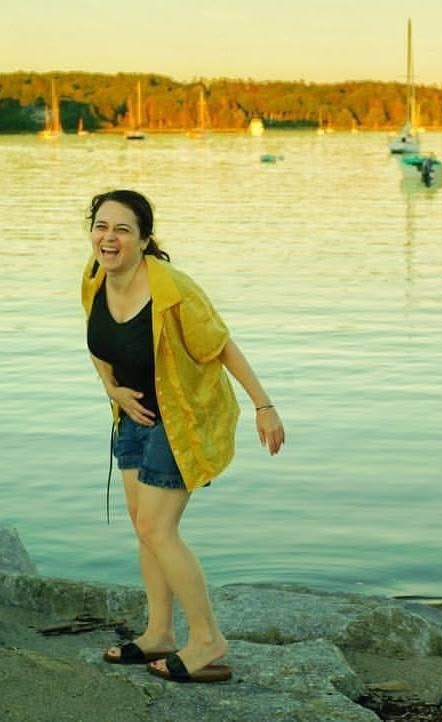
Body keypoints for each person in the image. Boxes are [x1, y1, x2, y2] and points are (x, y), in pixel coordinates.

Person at [81, 189, 285, 683]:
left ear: (144, 239)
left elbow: (221, 345)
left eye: (123, 229)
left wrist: (264, 405)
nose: (109, 238)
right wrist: (112, 389)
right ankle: (158, 633)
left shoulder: (172, 289)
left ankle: (207, 639)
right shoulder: (94, 276)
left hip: (183, 418)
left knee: (158, 529)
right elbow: (97, 339)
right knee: (143, 526)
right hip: (133, 415)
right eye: (101, 226)